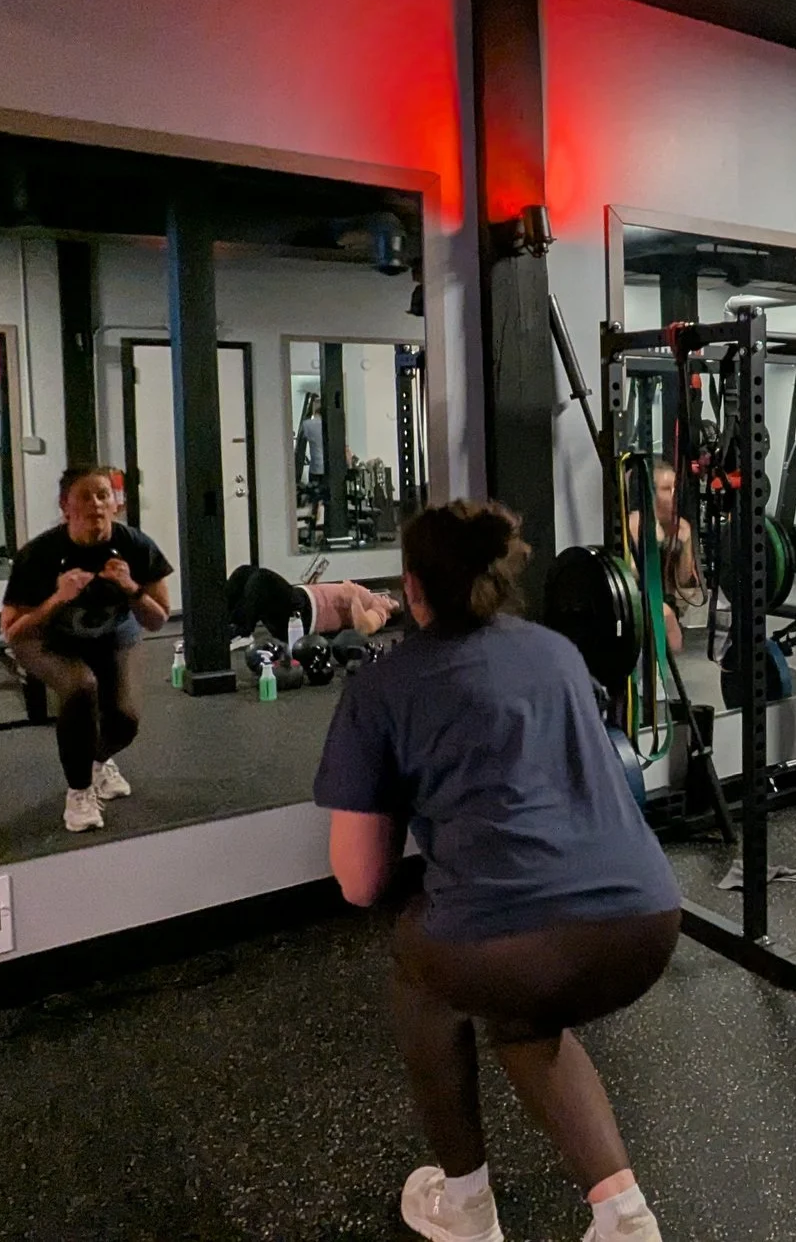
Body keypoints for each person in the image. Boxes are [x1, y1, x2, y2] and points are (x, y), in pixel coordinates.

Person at [315, 501, 681, 1242]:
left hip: (522, 946)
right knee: (521, 1010)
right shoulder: (556, 650)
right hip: (649, 922)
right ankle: (624, 1217)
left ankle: (467, 1208)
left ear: (411, 588)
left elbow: (358, 883)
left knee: (421, 964)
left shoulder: (383, 687)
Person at [0, 465, 172, 833]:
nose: (95, 503)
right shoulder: (39, 555)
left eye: (103, 495)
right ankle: (79, 793)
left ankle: (96, 762)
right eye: (85, 496)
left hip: (114, 635)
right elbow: (12, 632)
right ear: (65, 506)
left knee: (125, 721)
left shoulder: (137, 546)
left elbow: (157, 620)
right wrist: (58, 598)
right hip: (48, 640)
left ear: (115, 504)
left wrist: (131, 588)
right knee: (81, 688)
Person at [624, 461, 703, 661]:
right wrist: (655, 542)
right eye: (666, 489)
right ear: (651, 495)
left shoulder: (681, 528)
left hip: (667, 604)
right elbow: (631, 579)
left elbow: (685, 582)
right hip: (638, 605)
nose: (674, 495)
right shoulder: (635, 524)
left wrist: (685, 544)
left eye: (675, 488)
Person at [227, 565, 403, 643]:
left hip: (302, 616)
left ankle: (242, 632)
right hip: (301, 598)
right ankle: (220, 624)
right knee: (245, 573)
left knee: (261, 579)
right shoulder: (371, 597)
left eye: (392, 602)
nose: (388, 598)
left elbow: (363, 628)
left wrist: (354, 597)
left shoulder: (380, 611)